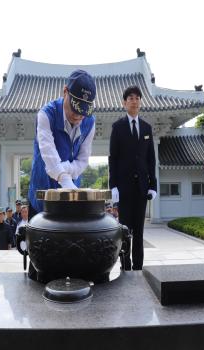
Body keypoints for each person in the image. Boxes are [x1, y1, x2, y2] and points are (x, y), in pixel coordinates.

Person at [28, 69, 97, 217]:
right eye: (75, 108)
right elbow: (49, 155)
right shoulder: (46, 115)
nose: (78, 116)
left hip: (72, 195)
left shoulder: (90, 122)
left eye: (83, 111)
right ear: (65, 91)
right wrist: (65, 180)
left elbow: (83, 160)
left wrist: (66, 168)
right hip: (42, 192)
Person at [108, 85, 157, 271]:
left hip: (142, 188)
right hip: (124, 189)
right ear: (124, 103)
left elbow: (151, 159)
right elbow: (113, 158)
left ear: (140, 102)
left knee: (139, 231)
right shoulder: (118, 127)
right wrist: (113, 186)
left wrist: (154, 185)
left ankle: (138, 268)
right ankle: (125, 266)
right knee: (125, 230)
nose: (134, 101)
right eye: (130, 98)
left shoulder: (146, 128)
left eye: (137, 98)